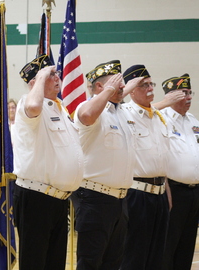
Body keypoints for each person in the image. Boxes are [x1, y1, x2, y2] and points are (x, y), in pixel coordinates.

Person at [12, 54, 84, 270]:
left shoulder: (59, 108)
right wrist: (41, 75)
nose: (57, 76)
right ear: (34, 83)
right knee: (34, 263)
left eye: (55, 73)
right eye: (50, 74)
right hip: (36, 198)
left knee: (54, 264)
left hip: (59, 200)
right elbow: (34, 106)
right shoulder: (29, 104)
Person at [70, 60, 136, 270]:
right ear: (101, 87)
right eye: (117, 83)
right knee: (90, 262)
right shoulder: (90, 108)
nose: (122, 87)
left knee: (113, 263)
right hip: (94, 199)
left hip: (120, 200)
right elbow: (87, 116)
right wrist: (108, 92)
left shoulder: (121, 113)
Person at [120, 65, 170, 270]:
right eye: (144, 85)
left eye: (151, 84)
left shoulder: (158, 117)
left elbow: (161, 159)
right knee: (134, 256)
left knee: (156, 256)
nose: (150, 88)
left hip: (160, 195)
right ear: (131, 90)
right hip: (137, 195)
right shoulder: (123, 114)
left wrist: (166, 191)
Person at [160, 74, 199, 270]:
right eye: (183, 93)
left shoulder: (193, 120)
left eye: (190, 92)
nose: (189, 97)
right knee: (167, 247)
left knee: (187, 245)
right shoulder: (162, 119)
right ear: (171, 96)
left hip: (194, 193)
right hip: (172, 192)